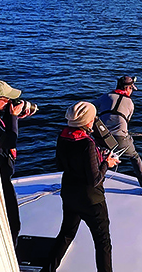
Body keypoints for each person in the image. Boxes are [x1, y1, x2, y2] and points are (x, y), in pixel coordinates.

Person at [44, 101, 119, 272]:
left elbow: (60, 165)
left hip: (69, 194)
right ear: (88, 121)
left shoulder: (62, 137)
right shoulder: (88, 144)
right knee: (102, 243)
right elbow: (95, 179)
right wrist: (107, 163)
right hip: (91, 200)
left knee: (66, 235)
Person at [93, 76, 142, 196]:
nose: (131, 92)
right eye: (131, 89)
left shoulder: (105, 96)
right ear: (127, 88)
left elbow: (91, 108)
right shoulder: (130, 103)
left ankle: (94, 181)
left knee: (97, 155)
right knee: (134, 157)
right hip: (120, 138)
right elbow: (125, 123)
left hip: (101, 136)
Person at [0, 79, 24, 245]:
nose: (9, 103)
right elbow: (9, 141)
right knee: (12, 223)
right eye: (6, 100)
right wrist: (13, 117)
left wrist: (11, 116)